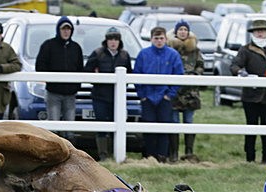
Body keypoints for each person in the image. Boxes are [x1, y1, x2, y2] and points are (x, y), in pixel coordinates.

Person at [230, 19, 266, 164]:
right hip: (250, 96)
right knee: (251, 127)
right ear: (253, 33)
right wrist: (240, 72)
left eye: (262, 30)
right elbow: (234, 65)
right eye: (257, 31)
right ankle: (250, 158)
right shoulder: (245, 49)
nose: (260, 33)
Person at [133, 26, 183, 162]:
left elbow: (179, 75)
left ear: (166, 39)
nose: (159, 41)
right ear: (151, 39)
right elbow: (136, 74)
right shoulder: (143, 54)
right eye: (156, 38)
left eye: (161, 38)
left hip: (164, 97)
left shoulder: (173, 55)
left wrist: (170, 95)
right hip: (148, 97)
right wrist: (142, 95)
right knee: (148, 128)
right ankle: (149, 157)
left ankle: (162, 157)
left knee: (163, 128)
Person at [84, 26, 131, 162]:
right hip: (100, 96)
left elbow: (129, 74)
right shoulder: (98, 53)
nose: (113, 42)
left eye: (116, 39)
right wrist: (97, 77)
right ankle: (103, 155)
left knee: (116, 125)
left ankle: (113, 154)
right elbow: (87, 71)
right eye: (110, 38)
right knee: (101, 125)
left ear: (119, 41)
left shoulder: (124, 55)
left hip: (117, 98)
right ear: (106, 40)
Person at [35, 16, 83, 139]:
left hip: (70, 94)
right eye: (63, 29)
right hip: (53, 93)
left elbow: (80, 68)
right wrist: (50, 80)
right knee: (53, 128)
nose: (66, 31)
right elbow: (40, 65)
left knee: (70, 128)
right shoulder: (48, 45)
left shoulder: (76, 48)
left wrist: (76, 86)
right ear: (58, 29)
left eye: (68, 29)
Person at [168, 19, 203, 163]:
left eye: (185, 29)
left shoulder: (195, 49)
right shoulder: (170, 49)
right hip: (175, 92)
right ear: (176, 32)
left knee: (189, 122)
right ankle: (174, 154)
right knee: (174, 123)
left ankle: (189, 153)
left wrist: (194, 76)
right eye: (180, 29)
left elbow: (201, 66)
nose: (183, 32)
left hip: (190, 93)